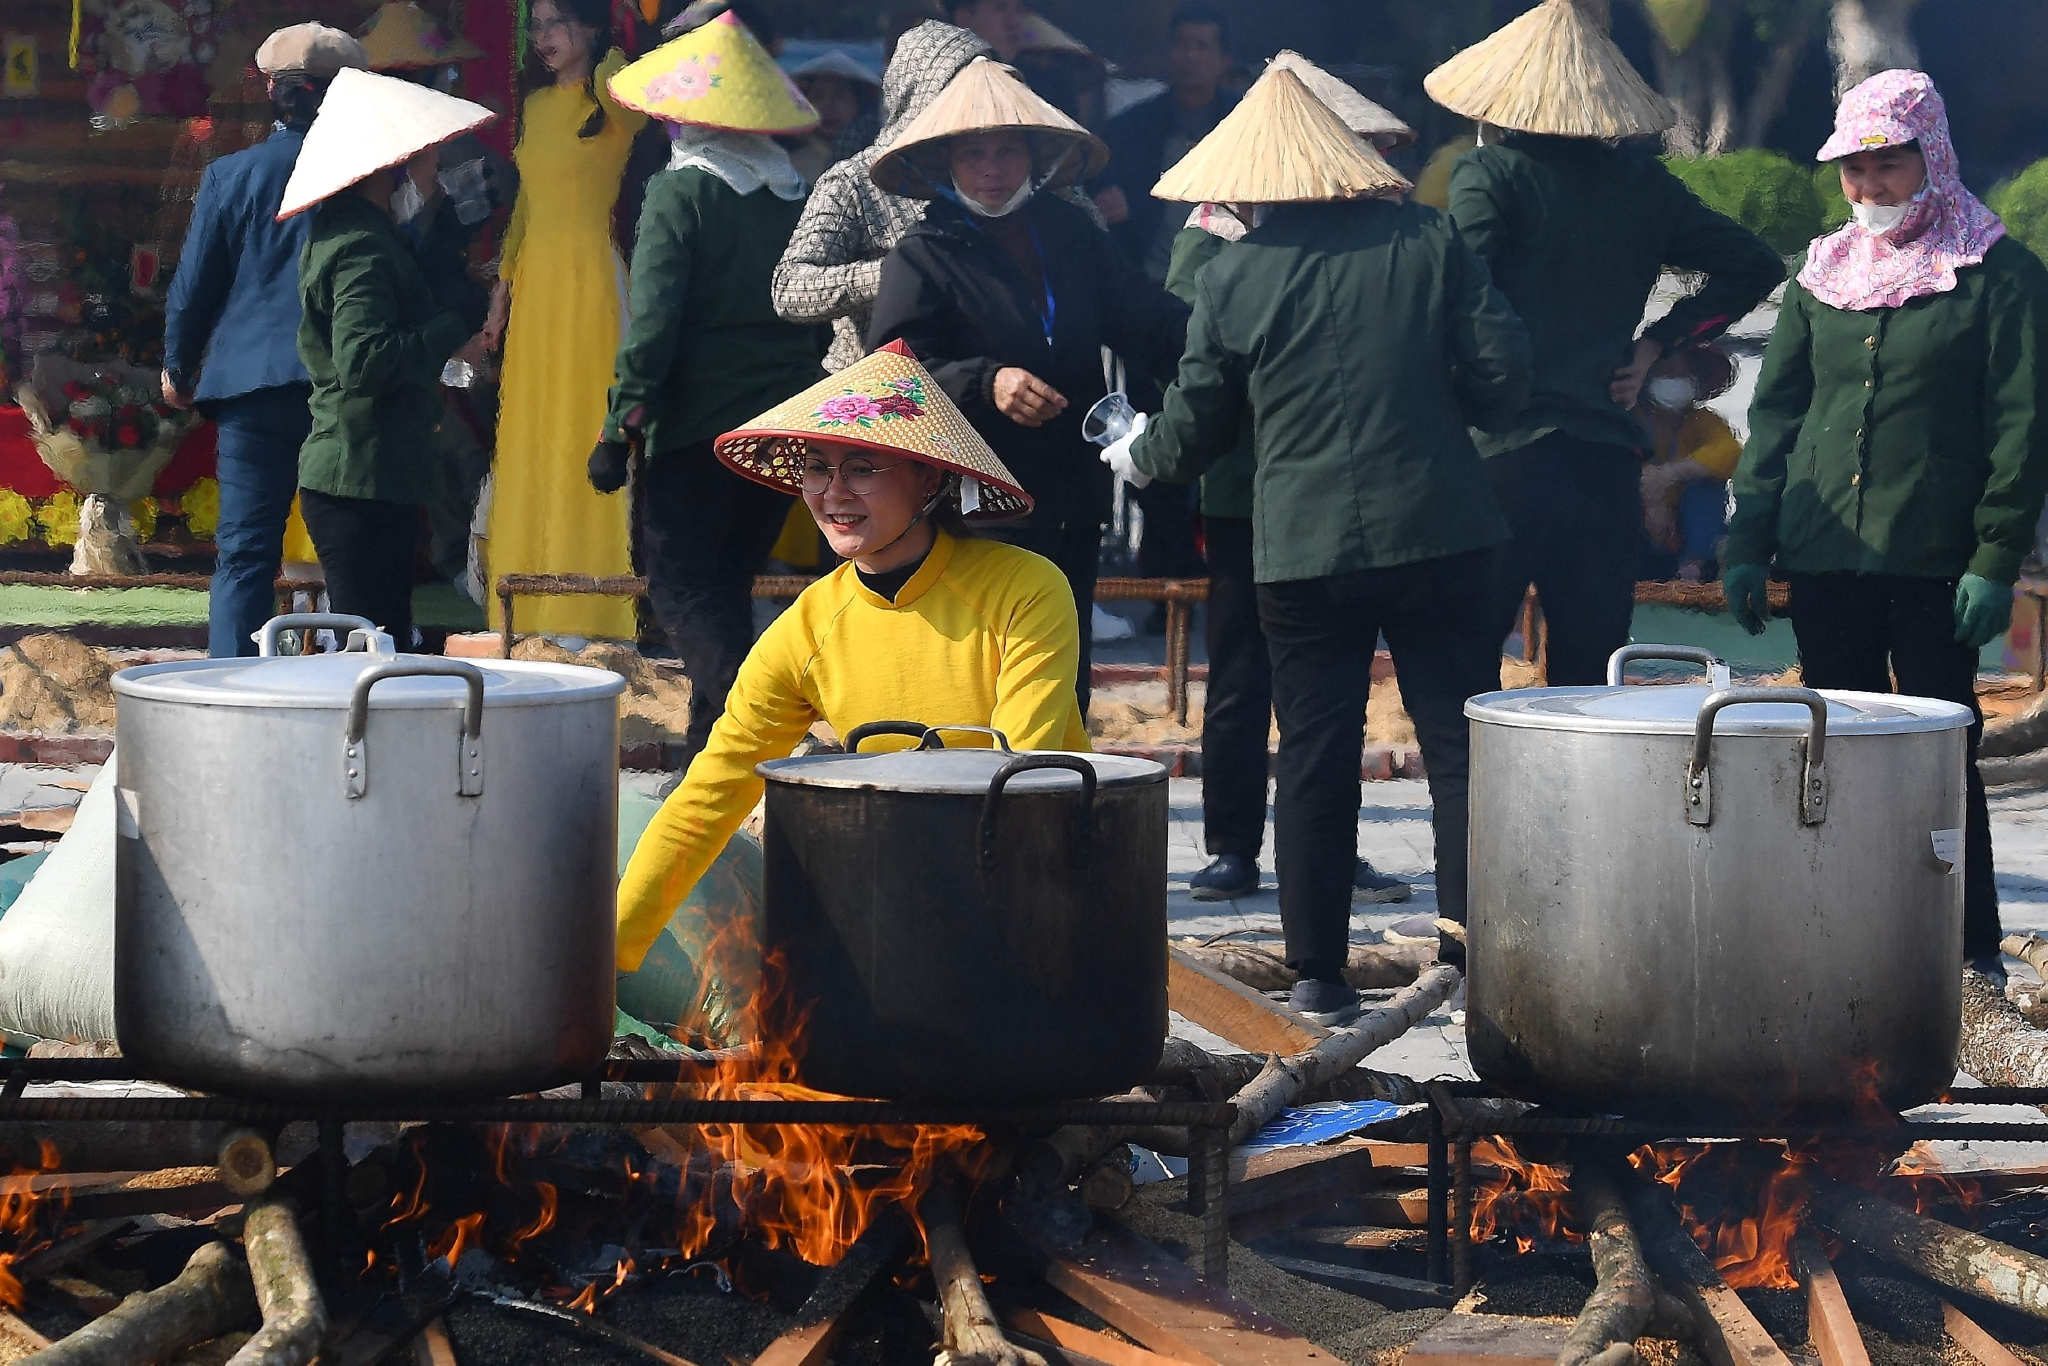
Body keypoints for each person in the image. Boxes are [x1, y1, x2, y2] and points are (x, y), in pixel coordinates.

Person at [1103, 67, 1531, 1019]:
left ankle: (1318, 977)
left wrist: (1141, 452)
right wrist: (1434, 415)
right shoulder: (1430, 239)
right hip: (1443, 530)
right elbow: (1505, 374)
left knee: (1314, 750)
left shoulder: (1233, 274)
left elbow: (1192, 432)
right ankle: (1471, 964)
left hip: (1301, 547)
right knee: (1460, 748)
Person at [615, 339, 1086, 983]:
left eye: (863, 466)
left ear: (932, 478)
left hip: (1041, 896)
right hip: (897, 896)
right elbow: (706, 799)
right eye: (817, 466)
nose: (833, 493)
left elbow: (1018, 777)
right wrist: (607, 958)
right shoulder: (806, 628)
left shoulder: (1026, 589)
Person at [1723, 70, 2048, 978]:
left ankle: (1965, 944)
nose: (1869, 188)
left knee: (1942, 751)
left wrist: (1996, 556)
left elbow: (2023, 426)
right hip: (1828, 556)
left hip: (1939, 560)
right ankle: (1838, 939)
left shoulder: (2001, 274)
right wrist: (1748, 539)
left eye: (1889, 166)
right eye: (1853, 171)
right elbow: (1776, 416)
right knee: (1833, 751)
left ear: (1931, 160)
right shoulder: (1821, 274)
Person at [1427, 0, 1783, 685]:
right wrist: (1658, 341)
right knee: (1589, 680)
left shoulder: (1490, 175)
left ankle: (1471, 797)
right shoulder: (1643, 185)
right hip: (1603, 465)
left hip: (1501, 458)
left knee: (1463, 666)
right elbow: (1756, 265)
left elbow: (1462, 291)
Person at [1163, 51, 1417, 907]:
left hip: (1345, 485)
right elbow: (1203, 331)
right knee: (1241, 675)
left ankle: (1329, 849)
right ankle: (1232, 843)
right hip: (1245, 487)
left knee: (1331, 688)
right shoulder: (1212, 237)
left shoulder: (1378, 241)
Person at [866, 56, 1190, 717]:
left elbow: (1141, 317)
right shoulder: (922, 255)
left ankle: (1063, 802)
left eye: (1008, 151)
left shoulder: (1073, 234)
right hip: (978, 499)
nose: (993, 169)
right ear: (945, 163)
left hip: (1073, 488)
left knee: (1062, 663)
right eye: (975, 153)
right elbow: (893, 372)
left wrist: (1219, 341)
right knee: (989, 668)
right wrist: (988, 382)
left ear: (1035, 157)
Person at [596, 14, 830, 768]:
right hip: (780, 428)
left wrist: (617, 426)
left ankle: (743, 715)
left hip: (696, 428)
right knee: (728, 587)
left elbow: (655, 327)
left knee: (686, 591)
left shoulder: (682, 193)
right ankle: (713, 759)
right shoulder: (791, 191)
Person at [160, 24, 368, 658]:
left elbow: (195, 284)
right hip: (340, 384)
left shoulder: (231, 174)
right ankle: (355, 689)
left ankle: (230, 691)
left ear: (273, 93)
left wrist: (177, 365)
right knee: (352, 549)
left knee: (245, 553)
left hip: (250, 384)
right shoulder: (365, 174)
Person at [279, 68, 493, 648]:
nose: (432, 169)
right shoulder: (361, 247)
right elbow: (365, 360)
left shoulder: (367, 233)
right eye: (423, 156)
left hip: (373, 473)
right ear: (389, 166)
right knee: (372, 650)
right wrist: (451, 325)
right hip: (358, 476)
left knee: (383, 642)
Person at [478, 0, 646, 641]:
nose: (542, 37)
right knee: (529, 434)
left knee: (581, 430)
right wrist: (500, 297)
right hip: (538, 288)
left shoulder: (615, 91)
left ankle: (588, 610)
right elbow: (525, 208)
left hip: (587, 283)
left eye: (556, 22)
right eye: (537, 25)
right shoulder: (539, 107)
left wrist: (608, 45)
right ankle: (523, 601)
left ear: (591, 25)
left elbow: (630, 84)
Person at [359, 0, 511, 589]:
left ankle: (462, 563)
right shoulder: (362, 157)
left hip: (455, 325)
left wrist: (484, 323)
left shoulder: (469, 157)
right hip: (384, 328)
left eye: (423, 76)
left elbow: (490, 234)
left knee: (464, 445)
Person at [772, 21, 992, 375]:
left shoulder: (1000, 174)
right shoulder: (854, 182)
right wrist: (898, 272)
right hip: (873, 394)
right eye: (957, 89)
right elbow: (790, 288)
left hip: (979, 387)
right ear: (919, 92)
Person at [1092, 4, 1237, 280]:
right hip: (1151, 277)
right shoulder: (1130, 127)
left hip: (1228, 277)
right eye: (1181, 44)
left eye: (1201, 46)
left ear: (1224, 60)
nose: (1190, 55)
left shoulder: (1243, 124)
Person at [1633, 345, 1740, 582]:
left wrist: (1671, 473)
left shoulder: (1700, 421)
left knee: (1708, 485)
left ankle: (1696, 563)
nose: (1677, 380)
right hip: (1635, 520)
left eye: (1685, 374)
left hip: (1683, 527)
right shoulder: (1631, 418)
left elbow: (1730, 452)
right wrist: (1651, 499)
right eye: (1668, 372)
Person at [784, 51, 880, 184]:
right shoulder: (789, 166)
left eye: (840, 96)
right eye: (818, 97)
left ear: (858, 103)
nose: (828, 106)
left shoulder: (876, 162)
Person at [943, 0, 1025, 61]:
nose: (1014, 22)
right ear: (964, 20)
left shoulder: (1033, 75)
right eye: (1000, 8)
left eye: (1019, 9)